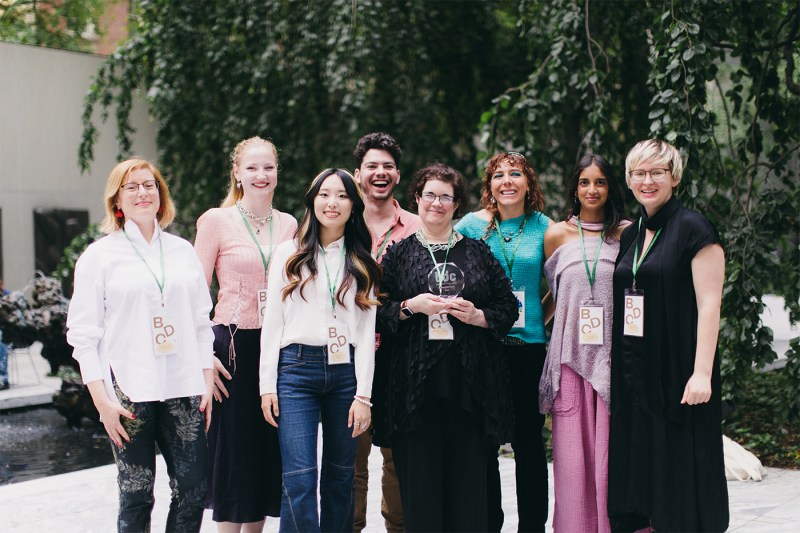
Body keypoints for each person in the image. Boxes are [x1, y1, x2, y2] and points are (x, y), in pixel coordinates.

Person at [66, 158, 214, 532]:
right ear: (117, 200)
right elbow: (83, 336)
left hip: (184, 386)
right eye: (131, 187)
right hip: (128, 392)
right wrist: (102, 402)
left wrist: (207, 378)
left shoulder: (182, 251)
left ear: (161, 195)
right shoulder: (99, 257)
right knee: (136, 493)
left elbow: (201, 322)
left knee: (194, 488)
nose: (142, 192)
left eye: (149, 185)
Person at [375, 163, 518, 532]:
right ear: (417, 200)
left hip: (470, 391)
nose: (436, 203)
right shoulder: (399, 254)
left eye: (445, 197)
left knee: (469, 497)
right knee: (421, 497)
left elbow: (508, 308)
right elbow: (377, 312)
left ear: (457, 205)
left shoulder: (477, 253)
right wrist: (411, 307)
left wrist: (477, 316)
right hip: (414, 395)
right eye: (429, 195)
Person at [608, 139, 729, 532]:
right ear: (629, 180)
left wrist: (702, 373)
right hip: (636, 374)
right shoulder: (631, 234)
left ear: (673, 177)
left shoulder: (695, 229)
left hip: (680, 372)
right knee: (643, 475)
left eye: (657, 172)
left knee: (681, 476)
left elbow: (710, 305)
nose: (648, 180)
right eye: (639, 173)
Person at [259, 168, 381, 533]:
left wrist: (364, 395)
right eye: (325, 194)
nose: (333, 202)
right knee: (299, 478)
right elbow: (273, 322)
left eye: (342, 195)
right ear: (312, 200)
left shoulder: (361, 258)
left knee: (341, 478)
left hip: (346, 375)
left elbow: (366, 330)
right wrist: (267, 385)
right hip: (295, 371)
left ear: (353, 205)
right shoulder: (288, 253)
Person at [195, 136, 297, 532]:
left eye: (268, 167)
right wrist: (205, 354)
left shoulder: (290, 223)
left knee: (264, 453)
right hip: (232, 346)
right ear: (237, 172)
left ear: (277, 173)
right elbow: (194, 294)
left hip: (278, 346)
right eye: (252, 167)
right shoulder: (215, 221)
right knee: (235, 455)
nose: (261, 175)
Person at [454, 151, 551, 532]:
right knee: (485, 445)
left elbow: (563, 284)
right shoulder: (472, 227)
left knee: (529, 446)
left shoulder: (547, 228)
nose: (507, 181)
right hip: (485, 346)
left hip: (529, 351)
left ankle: (532, 527)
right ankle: (488, 524)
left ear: (529, 183)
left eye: (515, 174)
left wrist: (535, 321)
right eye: (498, 175)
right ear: (489, 185)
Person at [539, 154, 630, 532]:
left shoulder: (627, 232)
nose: (592, 190)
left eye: (600, 182)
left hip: (616, 364)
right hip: (570, 363)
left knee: (614, 464)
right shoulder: (557, 234)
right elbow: (556, 296)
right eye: (584, 182)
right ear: (574, 188)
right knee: (573, 467)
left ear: (610, 188)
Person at [351, 132, 420, 533]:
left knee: (399, 461)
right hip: (348, 357)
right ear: (358, 174)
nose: (380, 173)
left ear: (397, 174)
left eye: (388, 166)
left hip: (401, 356)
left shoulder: (414, 226)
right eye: (372, 166)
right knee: (351, 462)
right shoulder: (338, 220)